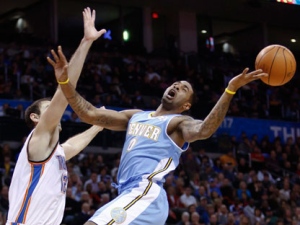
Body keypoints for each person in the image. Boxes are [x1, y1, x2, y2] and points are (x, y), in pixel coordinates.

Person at [54, 41, 268, 224]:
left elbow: (204, 130)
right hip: (129, 193)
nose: (177, 85)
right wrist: (64, 82)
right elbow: (90, 114)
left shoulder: (179, 122)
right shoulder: (136, 116)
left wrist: (230, 89)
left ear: (185, 106)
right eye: (176, 83)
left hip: (145, 193)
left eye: (184, 88)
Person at [5, 7, 106, 225]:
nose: (56, 110)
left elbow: (71, 147)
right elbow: (64, 95)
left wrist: (98, 126)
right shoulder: (39, 138)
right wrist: (86, 42)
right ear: (35, 118)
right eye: (49, 107)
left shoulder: (52, 152)